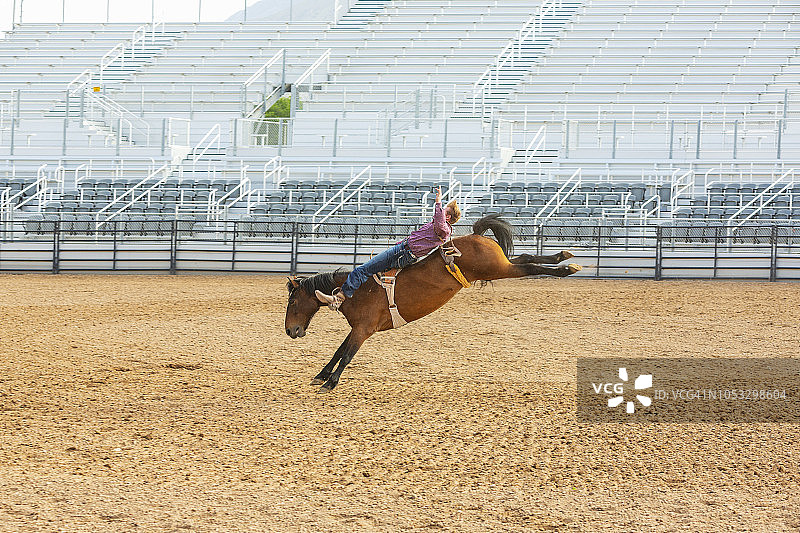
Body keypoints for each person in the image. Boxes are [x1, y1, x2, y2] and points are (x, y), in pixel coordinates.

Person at [316, 187, 461, 310]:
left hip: (404, 253)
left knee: (363, 269)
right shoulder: (439, 227)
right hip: (403, 250)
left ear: (447, 217)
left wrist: (438, 201)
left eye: (443, 211)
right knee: (371, 272)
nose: (439, 211)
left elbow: (439, 222)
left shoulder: (444, 229)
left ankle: (339, 298)